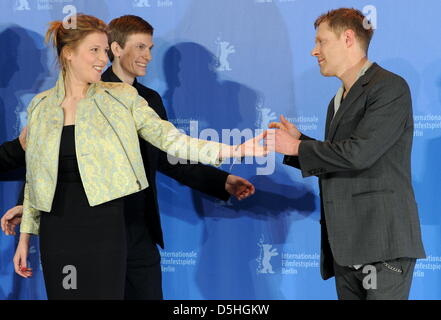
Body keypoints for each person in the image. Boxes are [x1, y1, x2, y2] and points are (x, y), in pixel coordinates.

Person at [12, 14, 270, 300]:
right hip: (57, 230)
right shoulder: (41, 106)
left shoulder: (123, 97)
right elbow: (36, 176)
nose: (102, 58)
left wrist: (235, 150)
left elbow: (171, 140)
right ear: (69, 53)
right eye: (94, 50)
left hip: (105, 225)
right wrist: (25, 237)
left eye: (104, 50)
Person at [269, 8, 425, 300]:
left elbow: (360, 153)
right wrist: (300, 141)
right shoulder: (337, 101)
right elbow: (340, 156)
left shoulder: (390, 87)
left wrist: (296, 147)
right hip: (347, 246)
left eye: (321, 41)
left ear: (348, 38)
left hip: (383, 245)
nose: (314, 51)